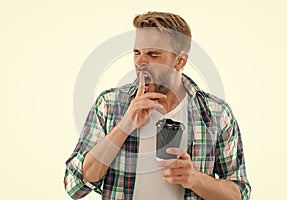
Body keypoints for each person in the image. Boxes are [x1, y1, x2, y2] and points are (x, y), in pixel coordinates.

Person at [64, 11, 251, 200]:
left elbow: (238, 194)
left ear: (180, 61)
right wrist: (125, 125)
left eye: (153, 54)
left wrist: (194, 179)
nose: (140, 62)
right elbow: (75, 186)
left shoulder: (216, 113)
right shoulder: (109, 105)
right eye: (137, 52)